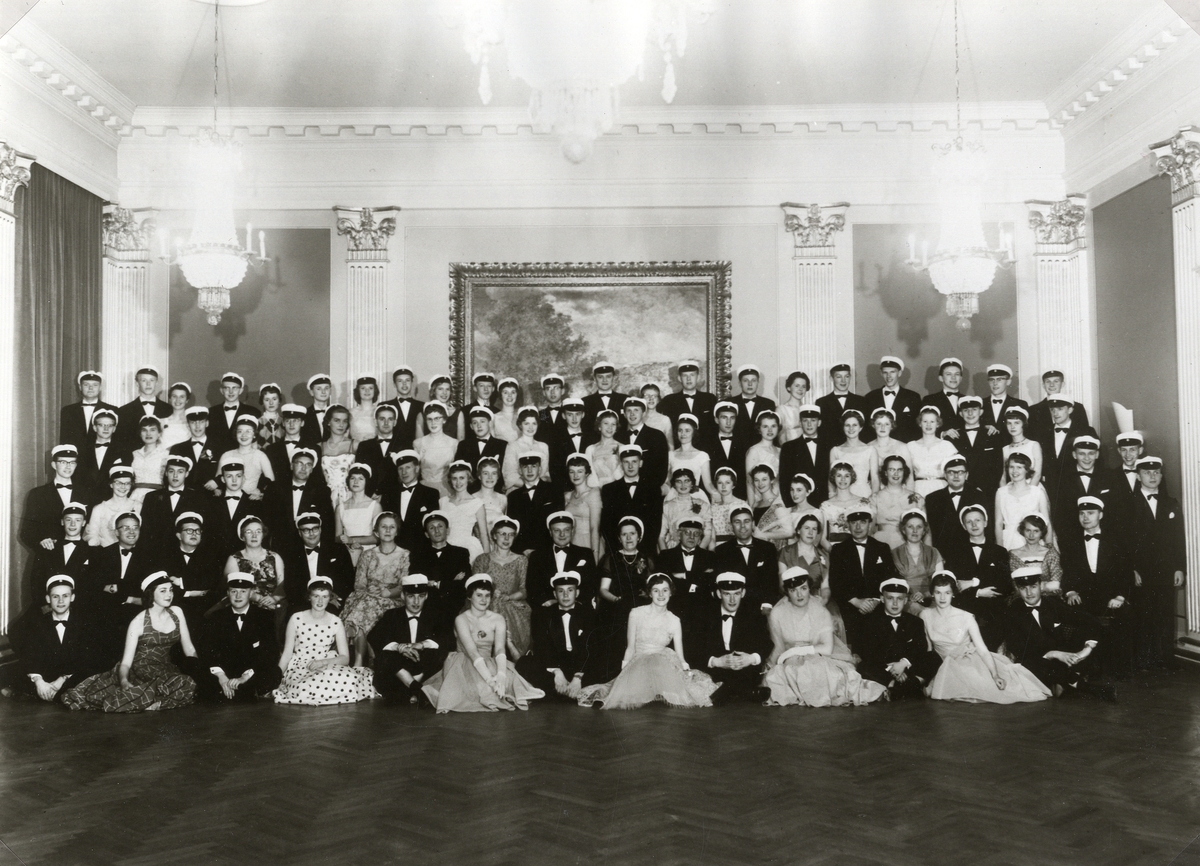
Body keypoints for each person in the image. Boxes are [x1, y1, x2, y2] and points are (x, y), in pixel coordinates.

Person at [62, 571, 200, 713]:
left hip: (166, 669)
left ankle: (147, 700)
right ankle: (150, 700)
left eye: (171, 590)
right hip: (141, 671)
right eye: (163, 591)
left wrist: (197, 671)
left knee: (188, 682)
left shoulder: (176, 612)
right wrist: (124, 682)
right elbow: (126, 662)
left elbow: (189, 648)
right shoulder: (138, 621)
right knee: (184, 685)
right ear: (151, 594)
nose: (169, 595)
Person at [578, 573, 718, 709]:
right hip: (639, 662)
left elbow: (680, 656)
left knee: (684, 692)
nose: (661, 595)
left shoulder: (674, 620)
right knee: (626, 695)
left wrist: (685, 672)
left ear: (671, 592)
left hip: (664, 664)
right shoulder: (636, 613)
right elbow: (630, 647)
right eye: (656, 590)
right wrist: (624, 672)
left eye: (665, 590)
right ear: (650, 593)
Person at [762, 566, 886, 707]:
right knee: (776, 679)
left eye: (803, 588)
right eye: (793, 590)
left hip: (820, 654)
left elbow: (827, 648)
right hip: (791, 660)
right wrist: (771, 665)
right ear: (787, 592)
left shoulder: (820, 610)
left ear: (810, 589)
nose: (799, 594)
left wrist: (793, 651)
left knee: (820, 671)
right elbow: (778, 647)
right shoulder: (778, 612)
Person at [421, 573, 545, 712]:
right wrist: (490, 681)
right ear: (469, 596)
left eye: (487, 595)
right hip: (465, 663)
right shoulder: (461, 619)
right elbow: (472, 652)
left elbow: (499, 649)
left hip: (489, 661)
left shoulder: (498, 619)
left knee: (513, 686)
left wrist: (501, 675)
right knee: (481, 691)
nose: (484, 600)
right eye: (479, 595)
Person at [920, 571, 1050, 703]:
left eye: (947, 592)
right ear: (932, 593)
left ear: (953, 593)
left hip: (966, 662)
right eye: (938, 592)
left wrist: (995, 675)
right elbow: (928, 650)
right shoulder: (925, 615)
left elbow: (982, 650)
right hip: (941, 664)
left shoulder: (966, 617)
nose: (942, 597)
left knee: (990, 689)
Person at [1002, 567, 1115, 701]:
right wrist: (1054, 654)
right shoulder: (1012, 611)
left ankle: (1062, 683)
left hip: (1063, 658)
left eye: (1033, 586)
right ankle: (1084, 686)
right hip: (1038, 660)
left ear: (1041, 585)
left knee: (1087, 636)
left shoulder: (1053, 603)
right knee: (1032, 664)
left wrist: (1087, 649)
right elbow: (1019, 649)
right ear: (1017, 589)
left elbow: (1089, 620)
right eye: (1023, 588)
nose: (1029, 593)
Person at [273, 576, 378, 705]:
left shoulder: (336, 621)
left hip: (326, 663)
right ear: (309, 597)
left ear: (330, 598)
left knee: (346, 681)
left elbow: (345, 658)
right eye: (316, 596)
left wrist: (323, 662)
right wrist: (277, 677)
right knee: (308, 687)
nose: (320, 601)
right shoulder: (296, 618)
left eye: (325, 596)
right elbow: (287, 653)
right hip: (301, 666)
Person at [1060, 496, 1135, 678]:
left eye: (1090, 513)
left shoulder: (1115, 540)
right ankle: (1086, 668)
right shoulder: (1071, 541)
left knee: (1122, 617)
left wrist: (1120, 597)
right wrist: (1070, 591)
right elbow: (1067, 571)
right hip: (1083, 595)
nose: (1085, 517)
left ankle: (1119, 669)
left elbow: (1125, 572)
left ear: (1100, 515)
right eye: (1082, 513)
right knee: (1077, 616)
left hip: (1110, 595)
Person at [7, 575, 107, 702]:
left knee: (92, 672)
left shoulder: (84, 624)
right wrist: (39, 681)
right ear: (48, 599)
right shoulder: (37, 624)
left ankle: (54, 694)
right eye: (55, 596)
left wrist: (62, 679)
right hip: (47, 676)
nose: (60, 601)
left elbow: (85, 658)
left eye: (65, 596)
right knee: (12, 671)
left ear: (72, 597)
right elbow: (30, 655)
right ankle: (47, 693)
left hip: (72, 676)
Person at [1129, 456, 1186, 671]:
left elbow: (1178, 538)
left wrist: (1179, 568)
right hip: (1141, 570)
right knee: (1143, 614)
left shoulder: (1171, 503)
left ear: (1161, 476)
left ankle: (1166, 659)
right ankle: (1144, 660)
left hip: (1166, 569)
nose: (1152, 476)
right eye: (1147, 473)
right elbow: (1124, 541)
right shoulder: (1128, 504)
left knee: (1165, 613)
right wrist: (1131, 569)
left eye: (1156, 472)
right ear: (1138, 476)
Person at [194, 572, 283, 701]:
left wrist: (244, 677)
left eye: (243, 591)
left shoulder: (265, 617)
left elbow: (270, 652)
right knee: (201, 674)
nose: (238, 596)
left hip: (251, 672)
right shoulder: (215, 617)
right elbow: (207, 651)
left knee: (274, 673)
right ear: (228, 593)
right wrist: (221, 676)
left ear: (251, 593)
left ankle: (240, 691)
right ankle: (236, 691)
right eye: (234, 591)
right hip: (224, 672)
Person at [515, 570, 603, 701]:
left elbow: (589, 646)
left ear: (577, 593)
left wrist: (578, 677)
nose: (565, 595)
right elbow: (542, 645)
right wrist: (557, 671)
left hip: (580, 663)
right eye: (561, 591)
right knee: (523, 663)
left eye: (570, 590)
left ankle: (560, 693)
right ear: (555, 594)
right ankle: (573, 693)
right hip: (556, 663)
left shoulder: (589, 614)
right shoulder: (543, 614)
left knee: (606, 664)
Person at [686, 572, 772, 705]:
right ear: (719, 593)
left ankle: (726, 692)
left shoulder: (753, 614)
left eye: (736, 594)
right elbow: (693, 647)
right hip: (716, 671)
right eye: (727, 594)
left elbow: (766, 643)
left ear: (743, 593)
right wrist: (716, 661)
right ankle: (747, 692)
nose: (732, 600)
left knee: (746, 674)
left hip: (743, 670)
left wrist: (750, 658)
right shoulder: (704, 614)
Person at [367, 573, 453, 705]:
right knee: (386, 655)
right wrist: (398, 647)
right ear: (402, 596)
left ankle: (408, 690)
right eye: (411, 596)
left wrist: (422, 644)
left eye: (421, 596)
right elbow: (374, 637)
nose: (416, 602)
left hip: (423, 668)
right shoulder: (392, 615)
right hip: (399, 667)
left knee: (438, 652)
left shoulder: (436, 615)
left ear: (426, 596)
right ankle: (417, 690)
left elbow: (447, 640)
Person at [855, 577, 942, 700]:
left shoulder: (915, 621)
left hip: (908, 667)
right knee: (863, 666)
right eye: (890, 598)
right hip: (885, 669)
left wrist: (903, 663)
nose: (895, 603)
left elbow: (920, 647)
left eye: (899, 599)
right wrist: (893, 669)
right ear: (882, 599)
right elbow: (869, 652)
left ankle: (904, 687)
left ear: (905, 600)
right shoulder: (871, 622)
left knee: (934, 657)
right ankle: (905, 686)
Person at [340, 511, 409, 664]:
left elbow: (404, 584)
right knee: (364, 606)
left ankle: (360, 661)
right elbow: (359, 584)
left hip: (393, 599)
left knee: (362, 610)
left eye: (392, 527)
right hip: (367, 597)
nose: (388, 530)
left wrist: (388, 592)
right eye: (384, 527)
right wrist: (370, 592)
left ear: (397, 531)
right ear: (376, 532)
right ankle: (359, 661)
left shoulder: (405, 555)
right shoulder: (367, 555)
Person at [940, 504, 1010, 649]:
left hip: (993, 611)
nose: (974, 525)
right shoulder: (955, 553)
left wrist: (972, 583)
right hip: (965, 608)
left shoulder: (1000, 552)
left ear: (985, 522)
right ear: (964, 526)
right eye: (969, 522)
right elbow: (954, 585)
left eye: (977, 520)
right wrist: (978, 591)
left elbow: (1005, 585)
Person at [828, 506, 896, 652]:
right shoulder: (839, 550)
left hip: (878, 604)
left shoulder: (882, 548)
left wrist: (876, 600)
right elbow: (835, 583)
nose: (858, 527)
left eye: (863, 522)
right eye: (854, 523)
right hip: (850, 605)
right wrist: (857, 602)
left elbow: (889, 578)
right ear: (848, 525)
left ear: (870, 524)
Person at [595, 516, 655, 681]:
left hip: (642, 608)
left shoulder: (647, 558)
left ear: (639, 536)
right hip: (616, 607)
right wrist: (617, 600)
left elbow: (652, 588)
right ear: (619, 538)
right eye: (624, 534)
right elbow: (603, 589)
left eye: (632, 534)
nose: (628, 538)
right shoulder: (610, 558)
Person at [471, 516, 532, 659]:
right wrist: (491, 594)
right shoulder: (482, 559)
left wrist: (508, 597)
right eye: (502, 533)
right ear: (494, 535)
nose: (506, 538)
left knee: (504, 610)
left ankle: (512, 654)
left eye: (511, 534)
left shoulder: (521, 560)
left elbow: (523, 590)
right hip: (485, 603)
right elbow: (475, 588)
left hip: (513, 604)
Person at [153, 511, 222, 628]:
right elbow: (162, 585)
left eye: (197, 531)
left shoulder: (210, 556)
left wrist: (180, 582)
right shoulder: (166, 556)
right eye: (189, 530)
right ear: (179, 535)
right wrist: (193, 592)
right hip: (173, 606)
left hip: (203, 608)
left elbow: (211, 581)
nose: (194, 534)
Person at [1050, 434, 1120, 550]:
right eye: (1082, 453)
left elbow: (1115, 511)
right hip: (1071, 539)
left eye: (1091, 453)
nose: (1087, 458)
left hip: (1104, 540)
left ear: (1097, 455)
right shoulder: (1061, 479)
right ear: (1074, 455)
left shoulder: (1110, 477)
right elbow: (1057, 513)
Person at [20, 444, 92, 556]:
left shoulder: (86, 493)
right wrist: (41, 541)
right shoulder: (37, 494)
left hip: (79, 555)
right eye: (63, 462)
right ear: (54, 465)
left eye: (72, 462)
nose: (68, 466)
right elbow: (26, 532)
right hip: (49, 555)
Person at [223, 515, 287, 640]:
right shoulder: (234, 558)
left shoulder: (274, 556)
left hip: (273, 603)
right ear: (242, 536)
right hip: (245, 603)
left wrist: (274, 598)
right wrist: (259, 599)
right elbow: (234, 588)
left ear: (263, 535)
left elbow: (283, 583)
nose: (254, 536)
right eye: (249, 532)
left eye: (258, 531)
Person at [526, 511, 599, 610]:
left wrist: (574, 603)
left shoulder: (585, 553)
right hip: (548, 608)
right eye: (557, 530)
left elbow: (592, 585)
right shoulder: (537, 556)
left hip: (578, 609)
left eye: (566, 530)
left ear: (572, 531)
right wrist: (549, 602)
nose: (562, 534)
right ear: (550, 532)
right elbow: (532, 587)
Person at [405, 511, 471, 621]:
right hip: (427, 605)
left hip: (454, 605)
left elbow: (463, 583)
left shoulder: (460, 553)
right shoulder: (418, 555)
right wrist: (451, 582)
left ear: (447, 530)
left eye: (440, 526)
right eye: (432, 528)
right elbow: (417, 582)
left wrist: (434, 583)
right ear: (426, 534)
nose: (437, 531)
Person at [599, 444, 662, 558]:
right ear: (621, 464)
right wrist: (620, 549)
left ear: (641, 463)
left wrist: (643, 550)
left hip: (646, 550)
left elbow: (655, 523)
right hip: (618, 551)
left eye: (634, 461)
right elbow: (607, 525)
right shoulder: (609, 489)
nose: (630, 466)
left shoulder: (653, 489)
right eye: (626, 462)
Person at [286, 511, 356, 612]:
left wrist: (329, 597)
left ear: (320, 529)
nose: (311, 533)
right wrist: (312, 599)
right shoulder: (292, 555)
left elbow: (348, 580)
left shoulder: (338, 550)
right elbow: (291, 586)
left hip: (332, 602)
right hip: (304, 603)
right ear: (299, 533)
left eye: (315, 528)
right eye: (306, 530)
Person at [714, 505, 778, 614]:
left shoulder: (768, 548)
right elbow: (721, 585)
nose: (742, 526)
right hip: (734, 607)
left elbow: (772, 581)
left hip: (762, 606)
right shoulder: (721, 551)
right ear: (731, 526)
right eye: (737, 522)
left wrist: (767, 604)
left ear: (753, 524)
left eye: (746, 521)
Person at [29, 502, 93, 604]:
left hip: (81, 607)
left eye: (77, 520)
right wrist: (45, 607)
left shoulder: (93, 551)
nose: (72, 524)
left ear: (84, 523)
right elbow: (36, 582)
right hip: (50, 607)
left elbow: (94, 585)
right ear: (62, 522)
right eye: (68, 520)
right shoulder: (48, 548)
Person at [139, 454, 206, 550]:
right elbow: (145, 529)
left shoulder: (198, 498)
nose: (175, 475)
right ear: (166, 473)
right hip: (158, 550)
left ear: (187, 474)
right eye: (171, 471)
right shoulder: (152, 497)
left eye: (180, 471)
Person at [657, 517, 719, 619]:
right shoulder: (665, 556)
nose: (692, 537)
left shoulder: (710, 556)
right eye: (687, 532)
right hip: (673, 609)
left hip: (703, 611)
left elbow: (711, 581)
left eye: (696, 534)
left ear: (700, 537)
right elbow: (665, 582)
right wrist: (700, 576)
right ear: (679, 535)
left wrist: (684, 575)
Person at [924, 455, 990, 549]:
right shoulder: (932, 499)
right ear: (945, 475)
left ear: (966, 475)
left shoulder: (978, 496)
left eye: (960, 472)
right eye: (951, 472)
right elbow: (930, 531)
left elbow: (988, 528)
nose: (956, 476)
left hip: (971, 552)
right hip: (943, 552)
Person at [994, 453, 1054, 551]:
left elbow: (1047, 523)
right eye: (1011, 467)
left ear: (1026, 470)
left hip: (1033, 542)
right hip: (1008, 542)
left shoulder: (1037, 492)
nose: (1014, 471)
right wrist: (1000, 549)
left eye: (1019, 467)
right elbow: (998, 524)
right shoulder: (1001, 492)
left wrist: (1049, 548)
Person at [350, 404, 401, 509]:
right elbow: (361, 474)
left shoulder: (403, 446)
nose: (386, 423)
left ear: (395, 422)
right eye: (382, 419)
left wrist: (385, 496)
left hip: (395, 499)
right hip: (370, 498)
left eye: (390, 419)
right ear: (375, 422)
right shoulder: (364, 446)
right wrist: (371, 493)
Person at [890, 509, 942, 615]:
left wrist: (925, 594)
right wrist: (909, 596)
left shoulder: (933, 552)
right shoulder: (894, 553)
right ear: (903, 530)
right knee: (922, 612)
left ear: (924, 530)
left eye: (919, 527)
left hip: (932, 598)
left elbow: (940, 582)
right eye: (910, 527)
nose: (915, 531)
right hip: (906, 600)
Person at [778, 403, 829, 508]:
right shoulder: (789, 447)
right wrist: (792, 507)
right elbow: (784, 481)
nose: (809, 424)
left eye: (813, 420)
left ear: (819, 423)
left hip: (826, 504)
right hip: (800, 506)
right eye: (805, 421)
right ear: (800, 423)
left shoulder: (829, 446)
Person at [505, 452, 558, 554]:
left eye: (533, 466)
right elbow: (513, 529)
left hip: (548, 550)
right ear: (520, 470)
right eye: (525, 467)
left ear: (540, 469)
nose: (529, 470)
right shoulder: (513, 496)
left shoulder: (554, 491)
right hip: (523, 551)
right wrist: (524, 550)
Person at [208, 461, 264, 555]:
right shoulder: (212, 503)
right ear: (223, 479)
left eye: (238, 476)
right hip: (216, 556)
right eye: (229, 476)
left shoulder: (255, 504)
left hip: (244, 556)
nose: (234, 480)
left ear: (243, 478)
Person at [952, 396, 1005, 491]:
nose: (970, 413)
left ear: (981, 412)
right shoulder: (954, 437)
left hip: (987, 490)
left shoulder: (992, 435)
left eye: (974, 409)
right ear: (961, 414)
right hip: (962, 490)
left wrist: (985, 488)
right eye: (966, 410)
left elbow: (998, 467)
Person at [334, 463, 383, 566]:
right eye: (353, 478)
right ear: (348, 481)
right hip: (348, 554)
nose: (356, 482)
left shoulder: (375, 506)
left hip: (370, 554)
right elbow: (337, 537)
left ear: (366, 482)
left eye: (360, 478)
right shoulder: (340, 507)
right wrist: (343, 540)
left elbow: (377, 537)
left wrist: (351, 540)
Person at [863, 356, 921, 442]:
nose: (888, 376)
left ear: (899, 373)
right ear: (881, 374)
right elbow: (866, 428)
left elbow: (917, 427)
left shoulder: (913, 397)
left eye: (892, 372)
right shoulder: (870, 397)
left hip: (904, 445)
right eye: (885, 372)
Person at [114, 366, 172, 452]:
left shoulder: (168, 409)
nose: (148, 384)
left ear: (156, 383)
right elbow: (121, 441)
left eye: (152, 380)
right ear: (137, 383)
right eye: (144, 380)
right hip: (133, 458)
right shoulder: (124, 411)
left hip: (162, 458)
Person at [870, 455, 923, 548]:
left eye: (900, 470)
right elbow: (870, 528)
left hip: (908, 543)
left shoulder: (917, 498)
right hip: (881, 542)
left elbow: (925, 529)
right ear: (885, 473)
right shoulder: (875, 498)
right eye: (891, 469)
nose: (896, 473)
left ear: (904, 472)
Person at [440, 460, 489, 561]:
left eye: (462, 478)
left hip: (468, 547)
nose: (458, 482)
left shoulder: (477, 503)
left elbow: (484, 534)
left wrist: (487, 559)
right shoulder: (443, 501)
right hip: (446, 546)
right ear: (450, 480)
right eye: (454, 478)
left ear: (468, 479)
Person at [618, 396, 670, 490]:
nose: (632, 414)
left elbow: (661, 469)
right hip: (623, 489)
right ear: (624, 414)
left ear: (643, 413)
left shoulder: (657, 435)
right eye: (629, 410)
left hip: (648, 490)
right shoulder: (619, 437)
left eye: (636, 410)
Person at [658, 359, 717, 438]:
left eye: (692, 375)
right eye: (685, 375)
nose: (688, 379)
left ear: (698, 377)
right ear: (679, 378)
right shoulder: (669, 400)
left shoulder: (709, 399)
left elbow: (714, 427)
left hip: (705, 444)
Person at [218, 415, 275, 499]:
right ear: (236, 434)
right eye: (240, 431)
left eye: (248, 431)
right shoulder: (226, 455)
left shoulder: (260, 456)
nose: (243, 435)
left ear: (254, 435)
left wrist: (260, 491)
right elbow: (218, 481)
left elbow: (271, 482)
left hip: (251, 501)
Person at [703, 401, 751, 501]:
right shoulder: (706, 444)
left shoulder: (745, 443)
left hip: (740, 497)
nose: (728, 422)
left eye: (732, 418)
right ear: (716, 420)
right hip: (714, 498)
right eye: (724, 417)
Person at [393, 450, 441, 550]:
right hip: (395, 549)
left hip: (421, 550)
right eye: (400, 468)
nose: (404, 472)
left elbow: (432, 525)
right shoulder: (389, 495)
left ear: (417, 468)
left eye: (408, 467)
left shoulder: (431, 494)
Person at [77, 408, 127, 501]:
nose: (106, 429)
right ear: (94, 427)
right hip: (85, 499)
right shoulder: (83, 450)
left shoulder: (123, 451)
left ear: (114, 429)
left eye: (110, 425)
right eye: (101, 425)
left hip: (111, 500)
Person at [1028, 369, 1091, 443]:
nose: (1052, 385)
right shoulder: (1033, 410)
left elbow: (1084, 434)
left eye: (1056, 381)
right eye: (1048, 381)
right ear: (1043, 385)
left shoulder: (1077, 407)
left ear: (1062, 384)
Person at [1007, 513, 1063, 596]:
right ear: (1023, 531)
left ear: (1042, 533)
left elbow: (1056, 584)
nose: (1031, 535)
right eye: (1028, 530)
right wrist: (1045, 585)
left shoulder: (1050, 553)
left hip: (1048, 597)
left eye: (1036, 531)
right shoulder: (1013, 555)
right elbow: (1015, 586)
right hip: (1022, 598)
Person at [908, 407, 958, 497]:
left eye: (932, 421)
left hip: (941, 488)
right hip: (918, 489)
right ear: (920, 423)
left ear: (938, 424)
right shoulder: (911, 446)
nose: (928, 425)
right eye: (925, 421)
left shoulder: (947, 445)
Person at [84, 466, 140, 548]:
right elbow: (92, 534)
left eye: (127, 483)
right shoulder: (99, 509)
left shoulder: (138, 506)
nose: (123, 487)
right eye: (118, 483)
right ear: (111, 484)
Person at [819, 462, 870, 551]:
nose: (843, 479)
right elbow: (822, 538)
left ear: (852, 477)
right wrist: (835, 553)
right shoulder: (826, 506)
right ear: (833, 477)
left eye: (847, 476)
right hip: (835, 550)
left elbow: (869, 533)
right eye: (839, 475)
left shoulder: (863, 502)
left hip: (859, 549)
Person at [208, 372, 261, 455]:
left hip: (244, 458)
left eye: (235, 388)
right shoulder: (211, 412)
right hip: (217, 458)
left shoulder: (253, 412)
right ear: (221, 390)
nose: (231, 392)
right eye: (227, 388)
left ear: (241, 390)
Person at [548, 398, 597, 489]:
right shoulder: (556, 440)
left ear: (583, 415)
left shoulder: (592, 438)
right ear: (563, 416)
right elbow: (554, 470)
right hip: (566, 489)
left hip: (590, 487)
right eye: (570, 414)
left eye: (577, 414)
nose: (574, 419)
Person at [60, 370, 115, 449]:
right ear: (80, 387)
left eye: (95, 385)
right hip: (76, 455)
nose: (90, 388)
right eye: (86, 384)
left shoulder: (112, 410)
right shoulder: (68, 411)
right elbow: (65, 439)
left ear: (100, 387)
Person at [815, 363, 867, 447]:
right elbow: (821, 432)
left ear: (850, 377)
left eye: (846, 376)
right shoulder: (821, 403)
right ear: (831, 378)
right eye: (839, 377)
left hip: (855, 449)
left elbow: (865, 430)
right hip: (830, 449)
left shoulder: (861, 401)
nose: (843, 381)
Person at [661, 468, 714, 551]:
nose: (683, 485)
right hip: (673, 550)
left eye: (687, 481)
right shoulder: (667, 506)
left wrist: (698, 553)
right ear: (674, 484)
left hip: (698, 549)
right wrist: (665, 555)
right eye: (679, 481)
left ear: (692, 483)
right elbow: (661, 536)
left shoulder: (703, 504)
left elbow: (708, 535)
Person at [414, 401, 459, 498]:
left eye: (437, 418)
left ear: (444, 420)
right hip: (424, 489)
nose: (433, 423)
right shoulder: (418, 443)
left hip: (447, 490)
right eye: (429, 419)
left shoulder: (454, 443)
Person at [828, 410, 877, 499]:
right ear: (843, 427)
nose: (851, 428)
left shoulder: (870, 450)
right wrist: (832, 498)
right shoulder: (835, 451)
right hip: (842, 497)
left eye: (854, 425)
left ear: (860, 427)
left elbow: (875, 479)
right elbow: (831, 480)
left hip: (864, 495)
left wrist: (874, 499)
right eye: (847, 425)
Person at [169, 406, 219, 493]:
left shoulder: (218, 447)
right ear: (188, 425)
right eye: (193, 422)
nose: (197, 426)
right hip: (185, 497)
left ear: (207, 423)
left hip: (211, 497)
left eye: (201, 422)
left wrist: (217, 481)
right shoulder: (177, 449)